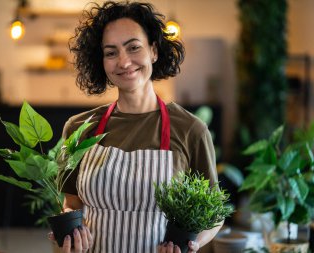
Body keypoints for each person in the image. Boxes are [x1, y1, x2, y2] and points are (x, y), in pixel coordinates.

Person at [54, 1, 223, 252]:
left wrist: (192, 244)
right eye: (111, 53)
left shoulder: (190, 129)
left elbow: (215, 214)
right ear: (101, 61)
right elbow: (72, 204)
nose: (123, 62)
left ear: (153, 51)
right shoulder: (79, 128)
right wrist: (72, 232)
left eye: (133, 48)